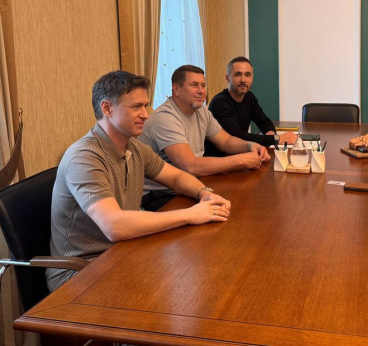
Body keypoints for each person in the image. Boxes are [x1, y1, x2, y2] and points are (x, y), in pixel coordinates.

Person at [47, 71, 231, 292]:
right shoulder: (84, 158)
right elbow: (115, 226)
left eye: (145, 106)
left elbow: (175, 176)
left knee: (203, 270)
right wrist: (191, 215)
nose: (146, 115)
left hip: (123, 252)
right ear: (107, 108)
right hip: (81, 273)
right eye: (136, 107)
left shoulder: (133, 147)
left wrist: (204, 193)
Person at [139, 65, 270, 210]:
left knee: (242, 201)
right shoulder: (165, 118)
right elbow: (190, 166)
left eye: (203, 85)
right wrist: (240, 161)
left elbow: (226, 141)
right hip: (160, 195)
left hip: (190, 185)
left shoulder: (201, 110)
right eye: (194, 85)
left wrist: (250, 145)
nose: (201, 91)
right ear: (176, 89)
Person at [206, 56, 297, 156]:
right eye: (238, 74)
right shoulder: (219, 103)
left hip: (240, 155)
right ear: (227, 78)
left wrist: (270, 131)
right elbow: (237, 137)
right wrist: (276, 139)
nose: (243, 80)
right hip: (221, 159)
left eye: (247, 75)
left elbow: (263, 121)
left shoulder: (249, 97)